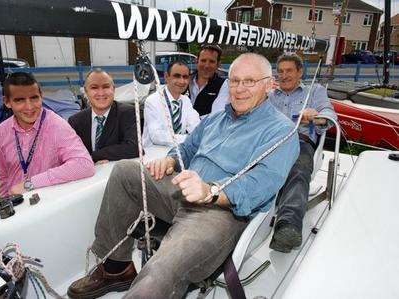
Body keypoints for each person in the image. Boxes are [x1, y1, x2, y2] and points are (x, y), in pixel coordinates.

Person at [67, 53, 300, 299]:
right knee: (126, 170)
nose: (240, 89)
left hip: (221, 212)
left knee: (158, 273)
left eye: (250, 81)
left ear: (268, 84)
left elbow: (261, 184)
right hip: (184, 191)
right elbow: (186, 150)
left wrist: (210, 191)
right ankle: (116, 268)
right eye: (234, 81)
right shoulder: (214, 119)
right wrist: (169, 160)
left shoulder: (281, 131)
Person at [268, 53, 337, 253]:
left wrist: (317, 116)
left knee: (298, 171)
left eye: (289, 70)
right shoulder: (270, 97)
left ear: (300, 72)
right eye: (280, 71)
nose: (284, 75)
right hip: (271, 144)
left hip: (300, 142)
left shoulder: (314, 91)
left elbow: (330, 114)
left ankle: (287, 226)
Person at [0, 72, 95, 198]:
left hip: (48, 205)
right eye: (20, 100)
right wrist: (3, 201)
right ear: (7, 102)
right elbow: (3, 175)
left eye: (34, 98)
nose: (29, 106)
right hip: (16, 205)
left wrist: (30, 184)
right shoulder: (1, 131)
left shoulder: (57, 125)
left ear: (41, 96)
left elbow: (84, 165)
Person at [68, 69, 138, 163]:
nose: (101, 93)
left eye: (105, 87)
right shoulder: (75, 121)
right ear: (86, 92)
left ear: (113, 89)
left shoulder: (128, 113)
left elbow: (134, 147)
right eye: (94, 87)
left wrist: (94, 156)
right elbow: (70, 153)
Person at [143, 60, 200, 148]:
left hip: (180, 150)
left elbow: (196, 126)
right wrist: (189, 138)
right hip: (154, 152)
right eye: (177, 76)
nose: (182, 81)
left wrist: (198, 136)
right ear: (166, 77)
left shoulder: (185, 100)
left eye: (185, 77)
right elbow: (157, 136)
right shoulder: (153, 100)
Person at [188, 44, 229, 117]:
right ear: (197, 61)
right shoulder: (186, 81)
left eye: (212, 61)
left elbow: (215, 116)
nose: (207, 66)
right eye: (203, 60)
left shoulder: (223, 85)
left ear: (218, 64)